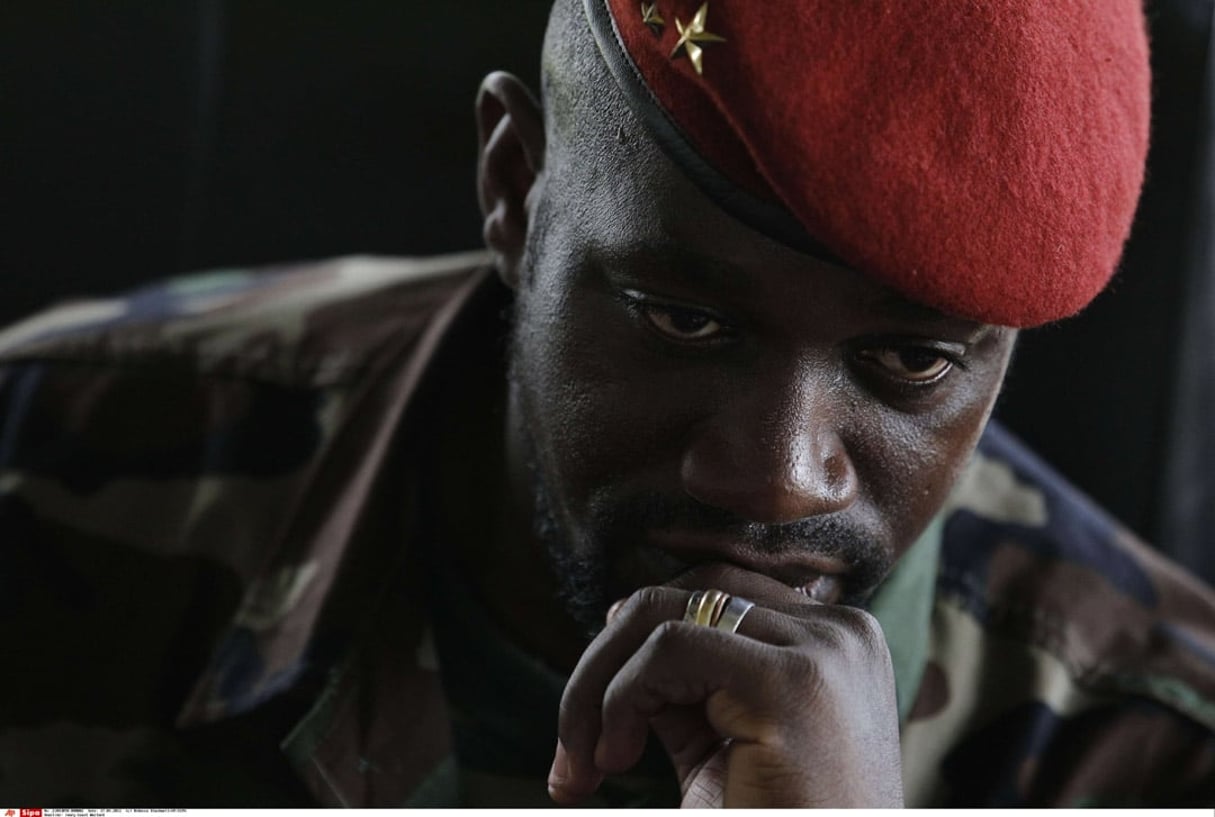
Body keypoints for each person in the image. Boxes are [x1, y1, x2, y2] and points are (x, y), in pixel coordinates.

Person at [1, 0, 1213, 808]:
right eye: (683, 321)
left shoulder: (1149, 756)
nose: (778, 475)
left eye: (910, 365)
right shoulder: (40, 467)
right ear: (516, 191)